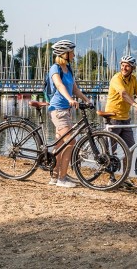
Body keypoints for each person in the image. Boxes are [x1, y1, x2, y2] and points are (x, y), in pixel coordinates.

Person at [48, 39, 92, 188]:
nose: (74, 54)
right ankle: (62, 178)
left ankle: (55, 177)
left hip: (66, 110)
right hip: (58, 109)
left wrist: (87, 100)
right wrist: (70, 100)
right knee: (71, 141)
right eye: (71, 52)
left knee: (60, 144)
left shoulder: (69, 68)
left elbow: (75, 89)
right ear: (64, 53)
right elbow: (59, 85)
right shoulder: (55, 68)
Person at [105, 55, 137, 187]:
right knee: (111, 150)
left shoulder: (133, 79)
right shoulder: (116, 78)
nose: (124, 68)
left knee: (130, 148)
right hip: (113, 117)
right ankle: (112, 178)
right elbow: (123, 94)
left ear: (132, 68)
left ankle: (124, 177)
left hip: (125, 119)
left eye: (127, 66)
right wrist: (135, 105)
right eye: (122, 65)